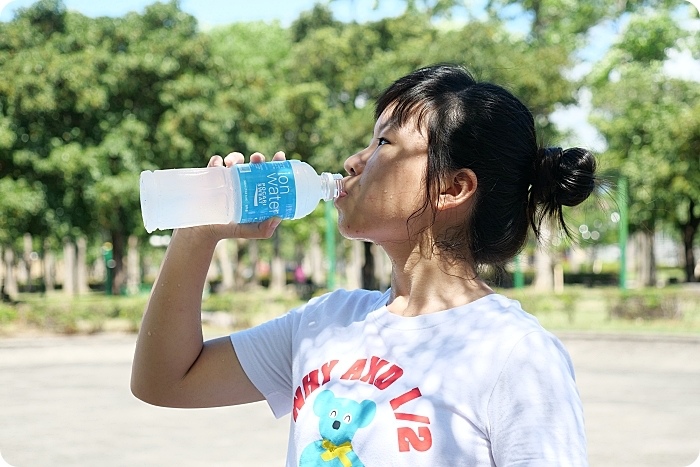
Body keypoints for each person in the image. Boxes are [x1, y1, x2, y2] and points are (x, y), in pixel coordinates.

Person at [131, 63, 596, 466]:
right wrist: (198, 233)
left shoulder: (515, 353)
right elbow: (165, 381)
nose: (355, 161)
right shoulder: (323, 322)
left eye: (383, 143)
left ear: (452, 188)